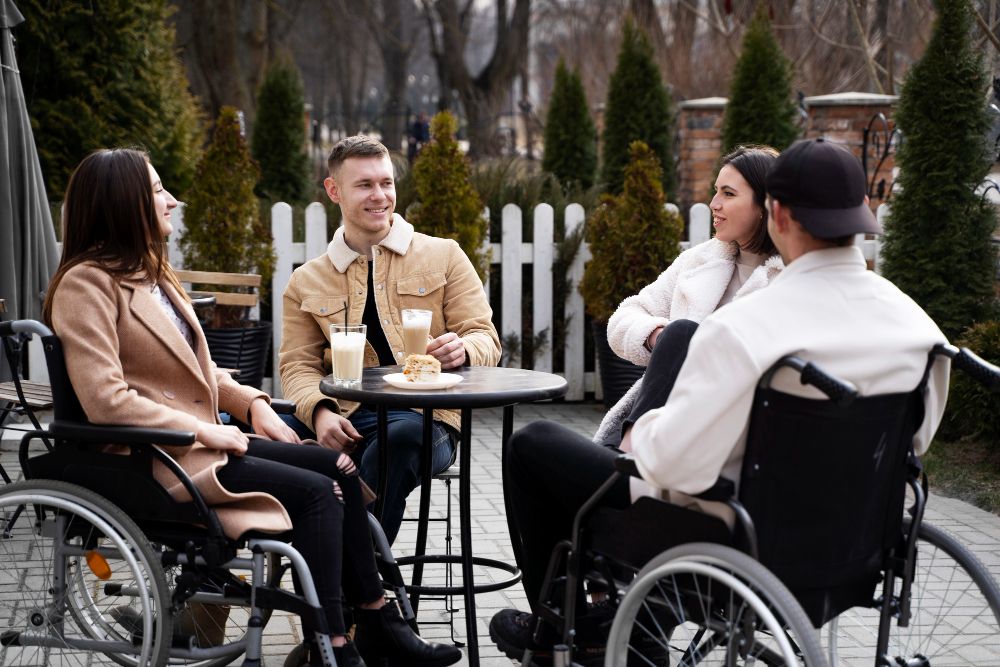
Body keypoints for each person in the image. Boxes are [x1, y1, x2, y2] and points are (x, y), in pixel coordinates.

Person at [489, 138, 951, 664]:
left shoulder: (746, 327)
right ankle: (612, 626)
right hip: (855, 538)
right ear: (861, 218)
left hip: (735, 536)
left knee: (534, 444)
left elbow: (671, 467)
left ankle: (571, 627)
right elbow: (913, 441)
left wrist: (645, 432)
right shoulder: (919, 328)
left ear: (775, 212)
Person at [44, 148, 461, 667]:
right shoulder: (86, 284)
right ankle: (332, 641)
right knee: (318, 492)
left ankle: (376, 618)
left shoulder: (152, 277)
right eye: (156, 190)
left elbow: (197, 375)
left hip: (195, 444)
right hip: (155, 458)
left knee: (340, 467)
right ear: (122, 202)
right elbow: (105, 401)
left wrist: (253, 405)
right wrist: (206, 432)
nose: (172, 200)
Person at [279, 135, 501, 544]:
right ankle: (215, 581)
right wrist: (320, 413)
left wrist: (464, 349)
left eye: (386, 183)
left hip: (424, 418)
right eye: (364, 185)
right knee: (239, 429)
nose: (379, 195)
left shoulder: (444, 255)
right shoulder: (306, 280)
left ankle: (355, 582)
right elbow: (297, 367)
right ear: (334, 191)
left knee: (394, 444)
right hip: (344, 413)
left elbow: (485, 338)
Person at [594, 145, 784, 445]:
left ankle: (630, 454)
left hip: (715, 441)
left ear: (765, 206)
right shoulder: (701, 260)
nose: (713, 203)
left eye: (728, 194)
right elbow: (624, 317)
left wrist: (684, 339)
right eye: (715, 191)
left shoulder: (786, 279)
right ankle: (629, 448)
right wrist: (659, 336)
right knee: (534, 440)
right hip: (655, 419)